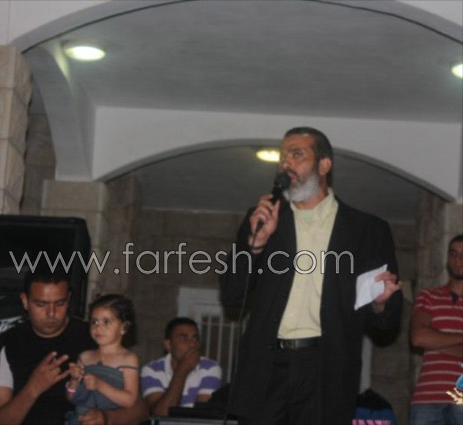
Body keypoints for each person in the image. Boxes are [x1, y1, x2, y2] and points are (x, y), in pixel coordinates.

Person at [220, 127, 403, 424]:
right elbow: (232, 293)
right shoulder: (263, 220)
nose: (286, 164)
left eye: (296, 155)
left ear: (324, 164)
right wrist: (256, 246)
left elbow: (387, 322)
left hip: (325, 370)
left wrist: (380, 303)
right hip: (267, 368)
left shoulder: (366, 230)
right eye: (282, 158)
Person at [0, 267, 147, 425]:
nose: (51, 313)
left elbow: (140, 410)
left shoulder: (95, 337)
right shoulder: (5, 344)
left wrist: (107, 419)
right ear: (25, 301)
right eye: (41, 304)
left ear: (68, 300)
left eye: (59, 304)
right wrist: (33, 389)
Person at [410, 234, 463, 425]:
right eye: (453, 254)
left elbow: (426, 339)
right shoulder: (428, 296)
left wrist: (434, 341)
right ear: (447, 259)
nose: (458, 260)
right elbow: (418, 338)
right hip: (427, 398)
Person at [65, 294, 139, 424]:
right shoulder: (85, 357)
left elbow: (130, 400)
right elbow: (71, 398)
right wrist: (74, 380)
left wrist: (99, 385)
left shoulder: (128, 359)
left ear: (124, 327)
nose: (98, 327)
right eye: (94, 322)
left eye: (106, 322)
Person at [140, 317, 222, 416]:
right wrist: (181, 371)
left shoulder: (210, 368)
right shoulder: (152, 370)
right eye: (184, 338)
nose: (192, 344)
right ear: (168, 345)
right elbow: (161, 414)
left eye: (195, 338)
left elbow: (202, 416)